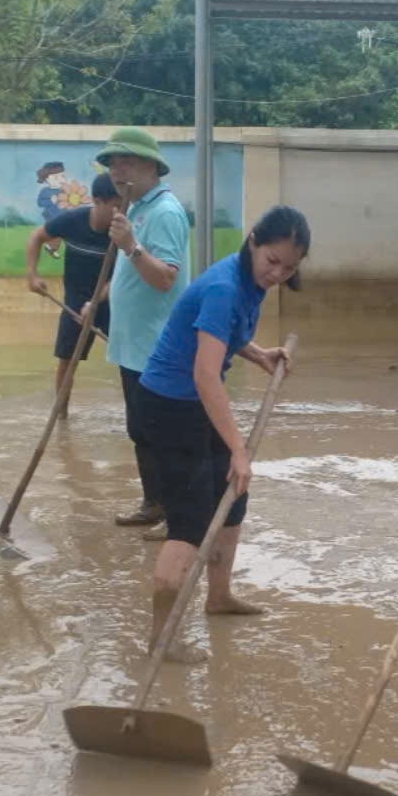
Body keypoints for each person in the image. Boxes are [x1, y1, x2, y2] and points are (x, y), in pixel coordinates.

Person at [136, 205, 308, 662]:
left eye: (289, 267)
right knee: (189, 525)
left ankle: (218, 597)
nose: (278, 274)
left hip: (195, 402)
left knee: (233, 498)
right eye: (272, 261)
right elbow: (206, 375)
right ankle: (161, 638)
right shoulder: (222, 288)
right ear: (253, 240)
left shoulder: (250, 283)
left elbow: (222, 337)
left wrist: (259, 354)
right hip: (170, 407)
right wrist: (237, 447)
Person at [90, 127, 190, 530]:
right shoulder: (135, 208)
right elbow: (129, 273)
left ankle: (179, 514)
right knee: (140, 429)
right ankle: (155, 503)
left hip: (156, 345)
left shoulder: (164, 212)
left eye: (125, 161)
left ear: (150, 165)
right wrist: (99, 298)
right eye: (112, 163)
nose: (116, 170)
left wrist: (131, 244)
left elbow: (165, 277)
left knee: (161, 433)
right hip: (132, 343)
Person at [24, 172, 119, 417]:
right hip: (75, 303)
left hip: (111, 301)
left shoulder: (121, 233)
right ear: (98, 201)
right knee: (67, 362)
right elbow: (37, 237)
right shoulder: (72, 221)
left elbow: (119, 278)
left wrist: (95, 303)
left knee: (130, 360)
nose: (122, 213)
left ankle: (139, 417)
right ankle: (61, 418)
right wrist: (33, 275)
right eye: (117, 206)